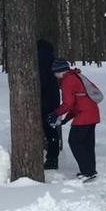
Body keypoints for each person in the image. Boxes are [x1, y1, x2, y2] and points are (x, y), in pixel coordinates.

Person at [48, 59, 100, 181]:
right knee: (87, 143)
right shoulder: (75, 76)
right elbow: (78, 101)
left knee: (75, 142)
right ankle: (90, 170)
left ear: (59, 71)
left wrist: (56, 113)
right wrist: (66, 119)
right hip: (92, 113)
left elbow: (68, 103)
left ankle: (87, 172)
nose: (54, 75)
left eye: (54, 72)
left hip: (84, 115)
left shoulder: (67, 80)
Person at [37, 39, 61, 170]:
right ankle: (53, 157)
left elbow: (42, 79)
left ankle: (52, 159)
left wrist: (38, 93)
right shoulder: (51, 57)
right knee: (51, 130)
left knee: (49, 130)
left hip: (45, 100)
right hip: (53, 99)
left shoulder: (41, 58)